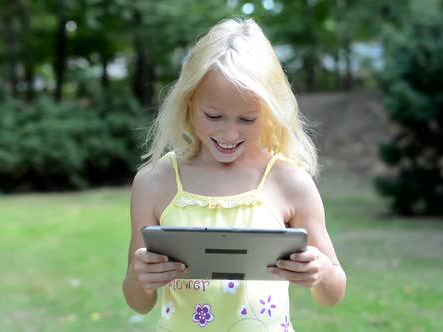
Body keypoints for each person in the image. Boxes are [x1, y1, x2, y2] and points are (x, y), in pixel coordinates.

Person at [122, 17, 346, 331]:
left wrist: (321, 272)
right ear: (189, 103)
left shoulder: (289, 181)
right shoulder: (154, 183)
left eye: (247, 119)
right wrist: (138, 277)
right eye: (213, 116)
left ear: (269, 111)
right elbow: (139, 301)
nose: (229, 133)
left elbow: (332, 294)